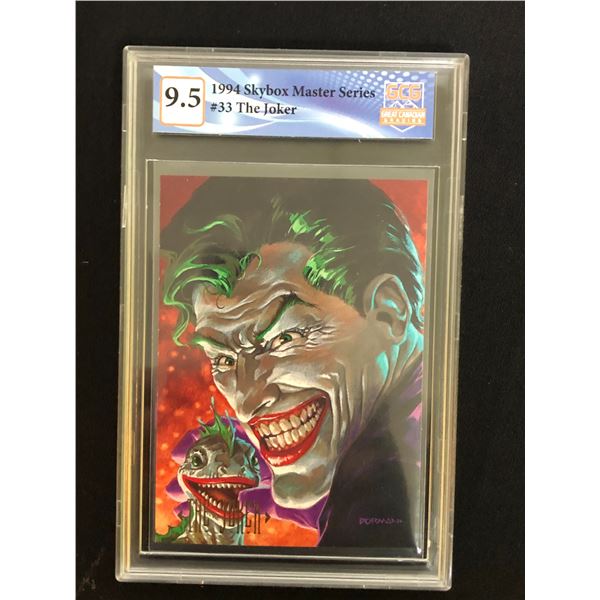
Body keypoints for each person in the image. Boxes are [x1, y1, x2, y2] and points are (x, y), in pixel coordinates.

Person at [161, 177, 424, 552]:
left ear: (388, 313)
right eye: (224, 358)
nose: (248, 402)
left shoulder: (394, 482)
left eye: (283, 339)